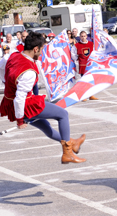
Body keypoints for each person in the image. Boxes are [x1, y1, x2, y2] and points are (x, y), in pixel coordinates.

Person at [0, 32, 87, 164]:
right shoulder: (28, 72)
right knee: (62, 114)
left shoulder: (14, 56)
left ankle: (72, 143)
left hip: (12, 102)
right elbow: (20, 98)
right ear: (35, 49)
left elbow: (7, 74)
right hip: (25, 105)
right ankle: (67, 153)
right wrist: (19, 120)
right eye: (41, 50)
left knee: (46, 127)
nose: (41, 53)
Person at [71, 31, 98, 101]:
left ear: (86, 36)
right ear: (80, 37)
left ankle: (91, 95)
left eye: (84, 36)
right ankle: (83, 96)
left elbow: (95, 52)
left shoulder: (91, 44)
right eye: (82, 36)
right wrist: (77, 59)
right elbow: (73, 53)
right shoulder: (76, 45)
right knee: (84, 81)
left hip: (90, 65)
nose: (83, 37)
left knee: (91, 80)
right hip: (82, 65)